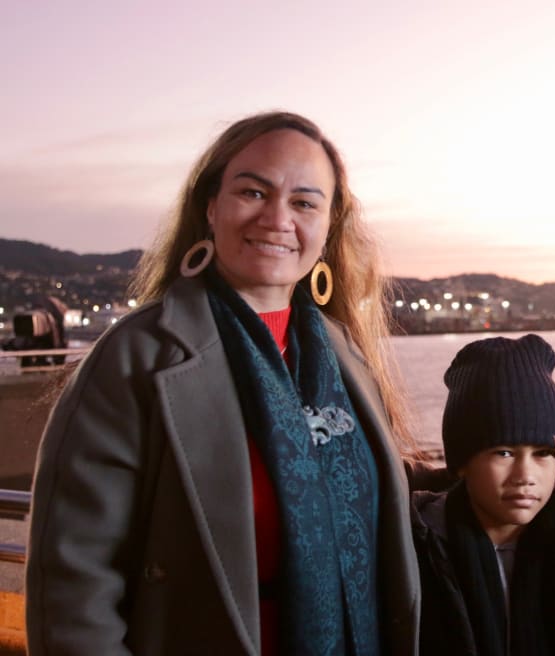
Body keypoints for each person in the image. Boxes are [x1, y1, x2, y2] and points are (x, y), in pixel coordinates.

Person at [26, 111, 420, 655]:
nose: (278, 218)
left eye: (305, 202)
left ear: (328, 228)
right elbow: (73, 584)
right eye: (254, 192)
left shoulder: (343, 355)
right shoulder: (137, 358)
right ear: (211, 207)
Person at [411, 335, 555, 656]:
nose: (525, 476)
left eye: (543, 453)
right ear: (462, 462)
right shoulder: (412, 546)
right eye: (504, 453)